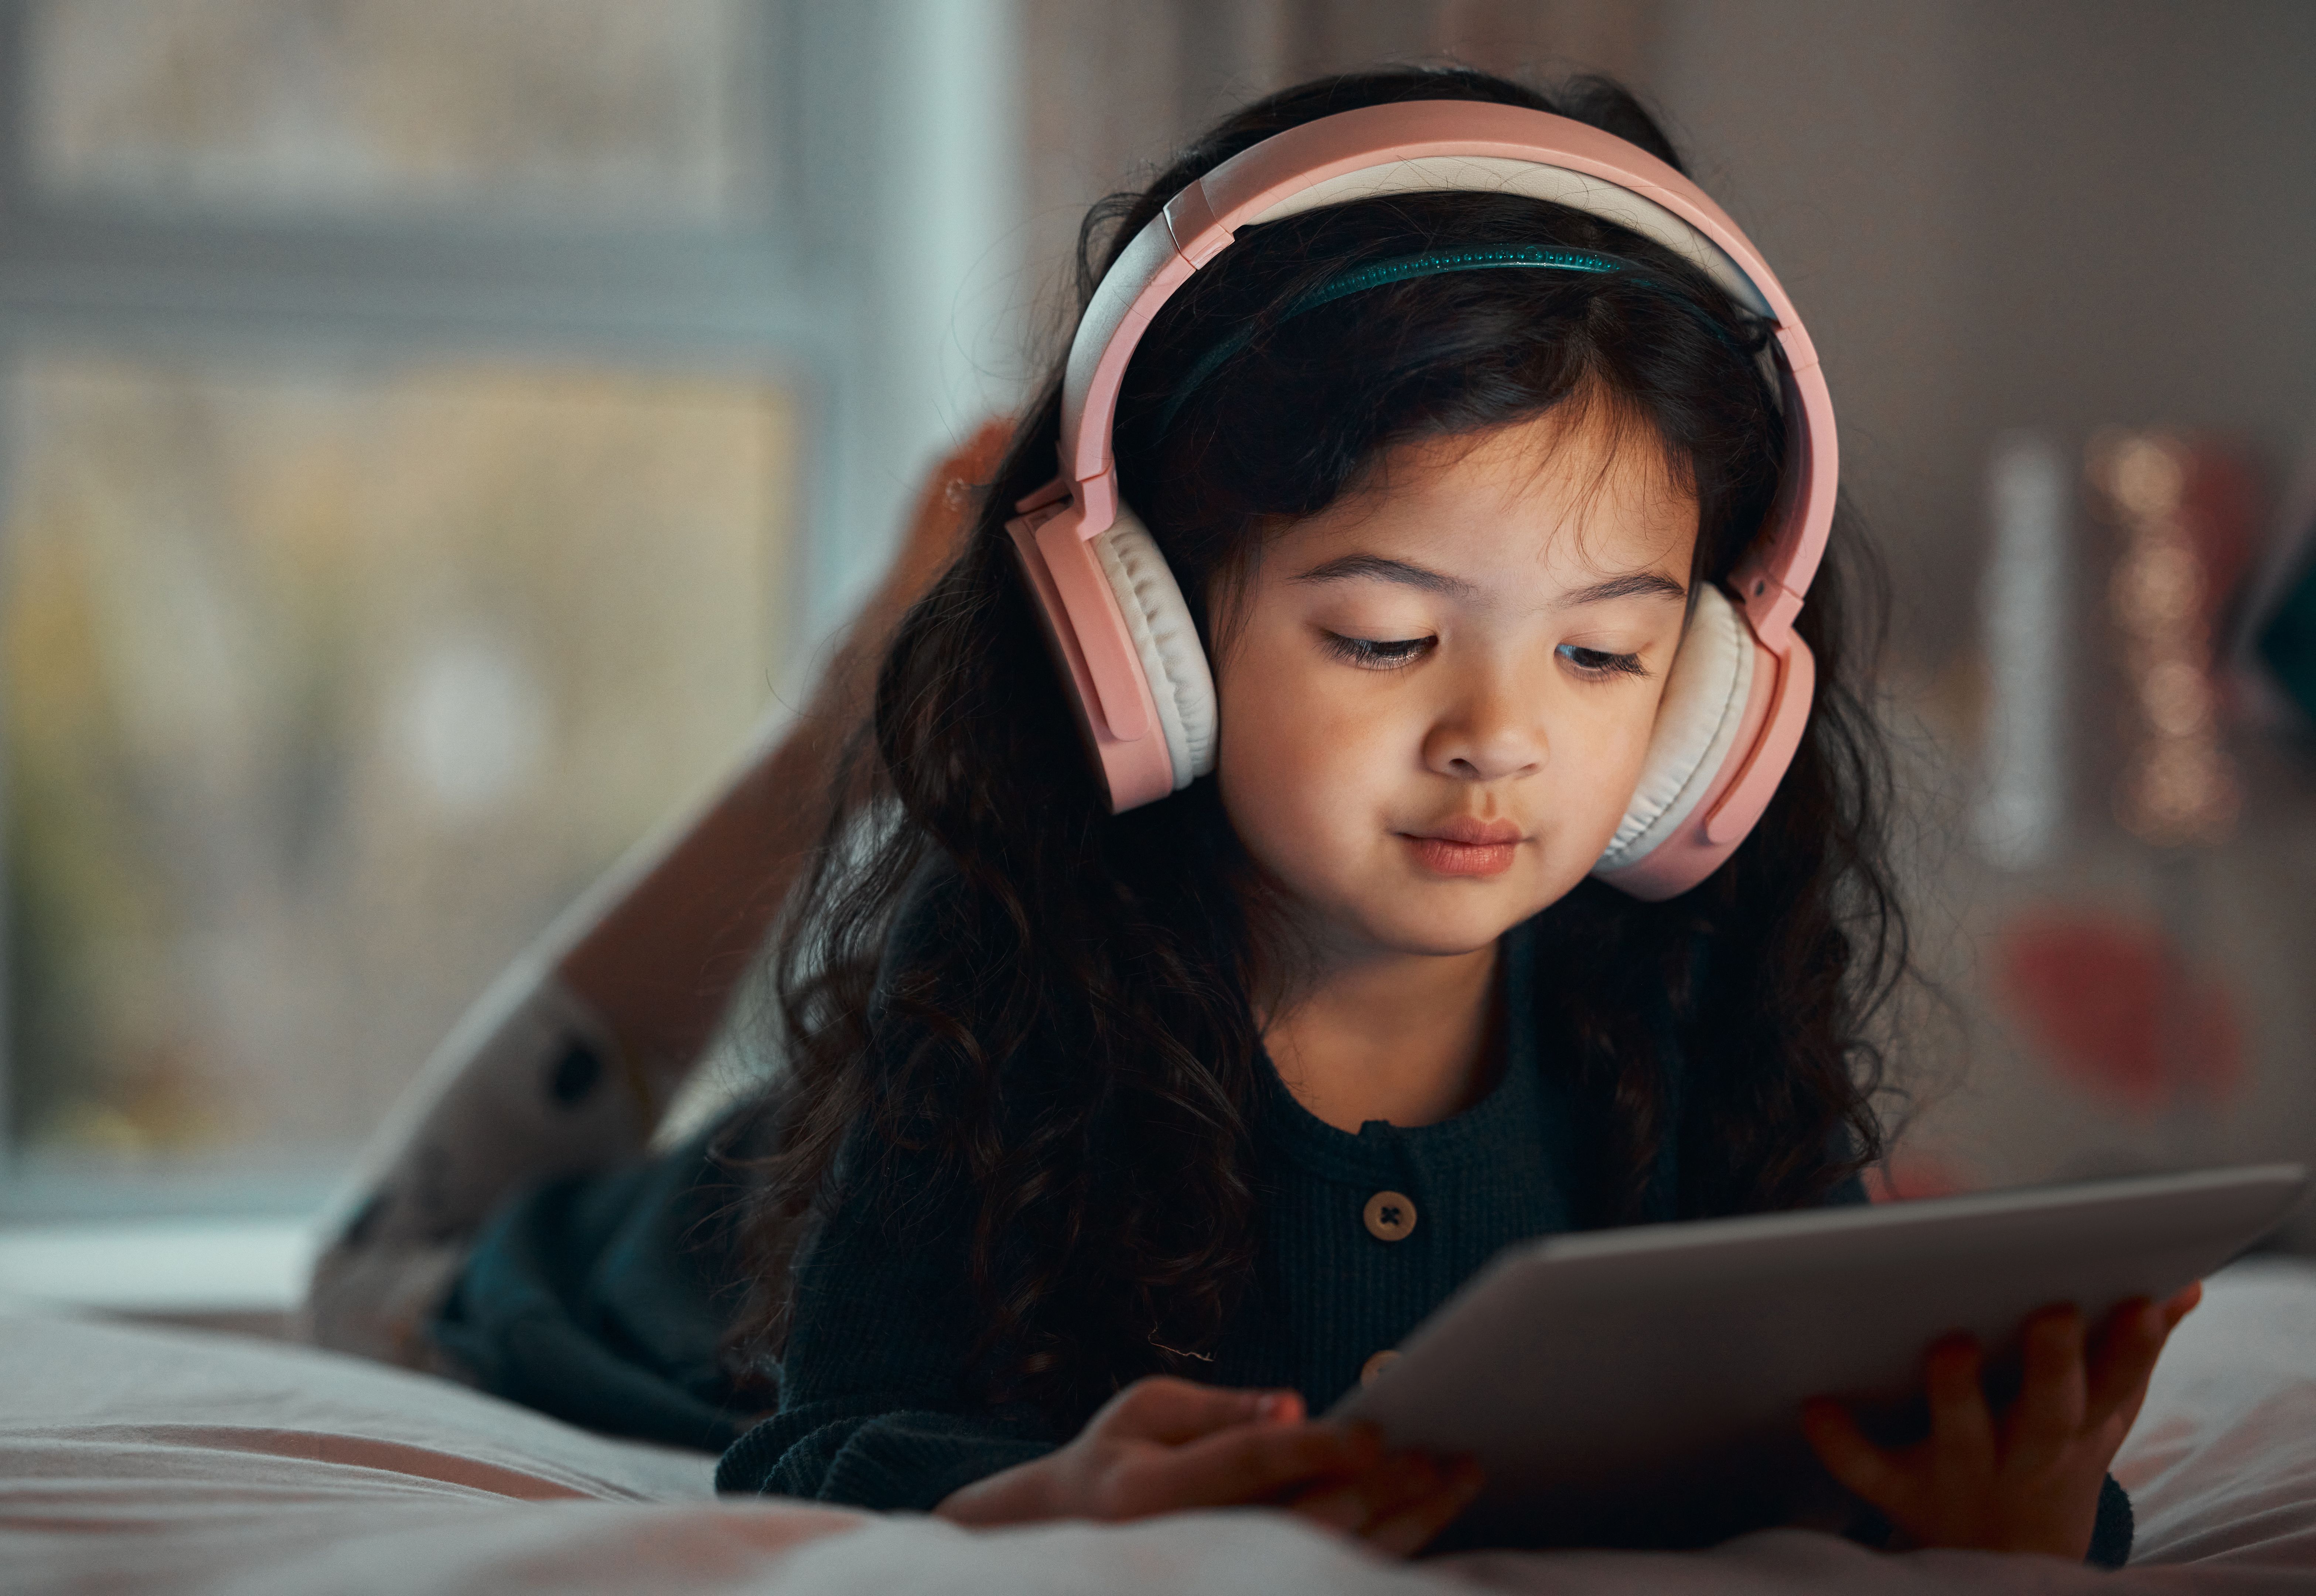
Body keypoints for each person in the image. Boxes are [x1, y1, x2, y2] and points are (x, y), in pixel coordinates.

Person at [309, 66, 2195, 1564]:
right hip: (607, 1267)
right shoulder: (1000, 974)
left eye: (1609, 662)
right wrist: (1048, 1500)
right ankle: (835, 719)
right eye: (1385, 638)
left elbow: (1835, 1429)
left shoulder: (1685, 990)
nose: (1497, 740)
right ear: (1153, 641)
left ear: (1718, 700)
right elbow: (830, 1445)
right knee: (380, 1265)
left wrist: (2014, 1515)